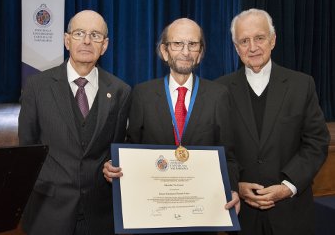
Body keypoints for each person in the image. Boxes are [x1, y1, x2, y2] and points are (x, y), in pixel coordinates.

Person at [103, 18, 240, 234]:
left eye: (193, 44)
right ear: (164, 51)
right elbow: (131, 147)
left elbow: (228, 154)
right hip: (154, 216)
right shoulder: (142, 94)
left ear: (201, 52)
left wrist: (232, 189)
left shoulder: (219, 95)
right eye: (177, 44)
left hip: (201, 217)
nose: (185, 51)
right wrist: (115, 164)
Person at [216, 8, 330, 235]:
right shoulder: (219, 90)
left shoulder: (302, 85)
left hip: (291, 213)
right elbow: (217, 146)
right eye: (244, 41)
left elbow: (316, 142)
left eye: (259, 38)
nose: (253, 47)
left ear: (273, 40)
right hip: (241, 216)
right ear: (236, 48)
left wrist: (288, 187)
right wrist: (234, 185)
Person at [18, 10, 131, 235]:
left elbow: (115, 150)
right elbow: (27, 151)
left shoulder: (121, 91)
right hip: (48, 212)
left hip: (100, 215)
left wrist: (112, 166)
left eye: (95, 35)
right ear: (67, 40)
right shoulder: (36, 87)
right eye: (79, 33)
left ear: (105, 45)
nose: (87, 40)